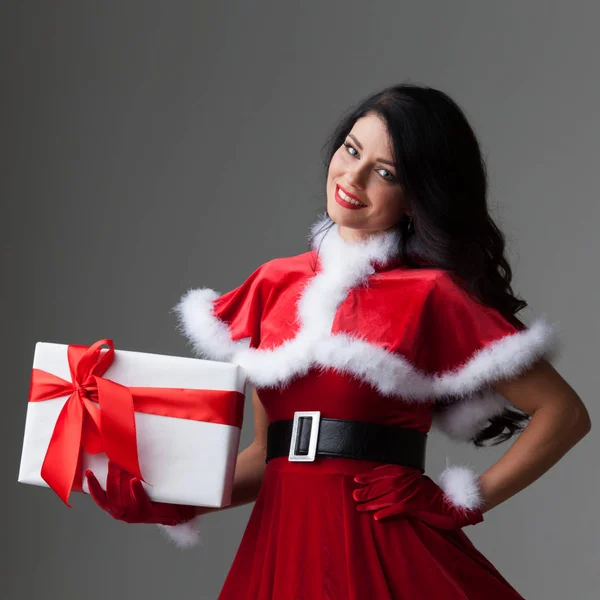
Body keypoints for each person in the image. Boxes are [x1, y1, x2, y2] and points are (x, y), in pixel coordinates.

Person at [85, 83, 591, 599]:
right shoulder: (272, 284)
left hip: (380, 548)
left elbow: (565, 413)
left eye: (386, 172)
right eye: (352, 149)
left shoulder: (431, 295)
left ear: (418, 198)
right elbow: (266, 457)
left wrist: (460, 499)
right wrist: (166, 499)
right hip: (281, 548)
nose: (352, 176)